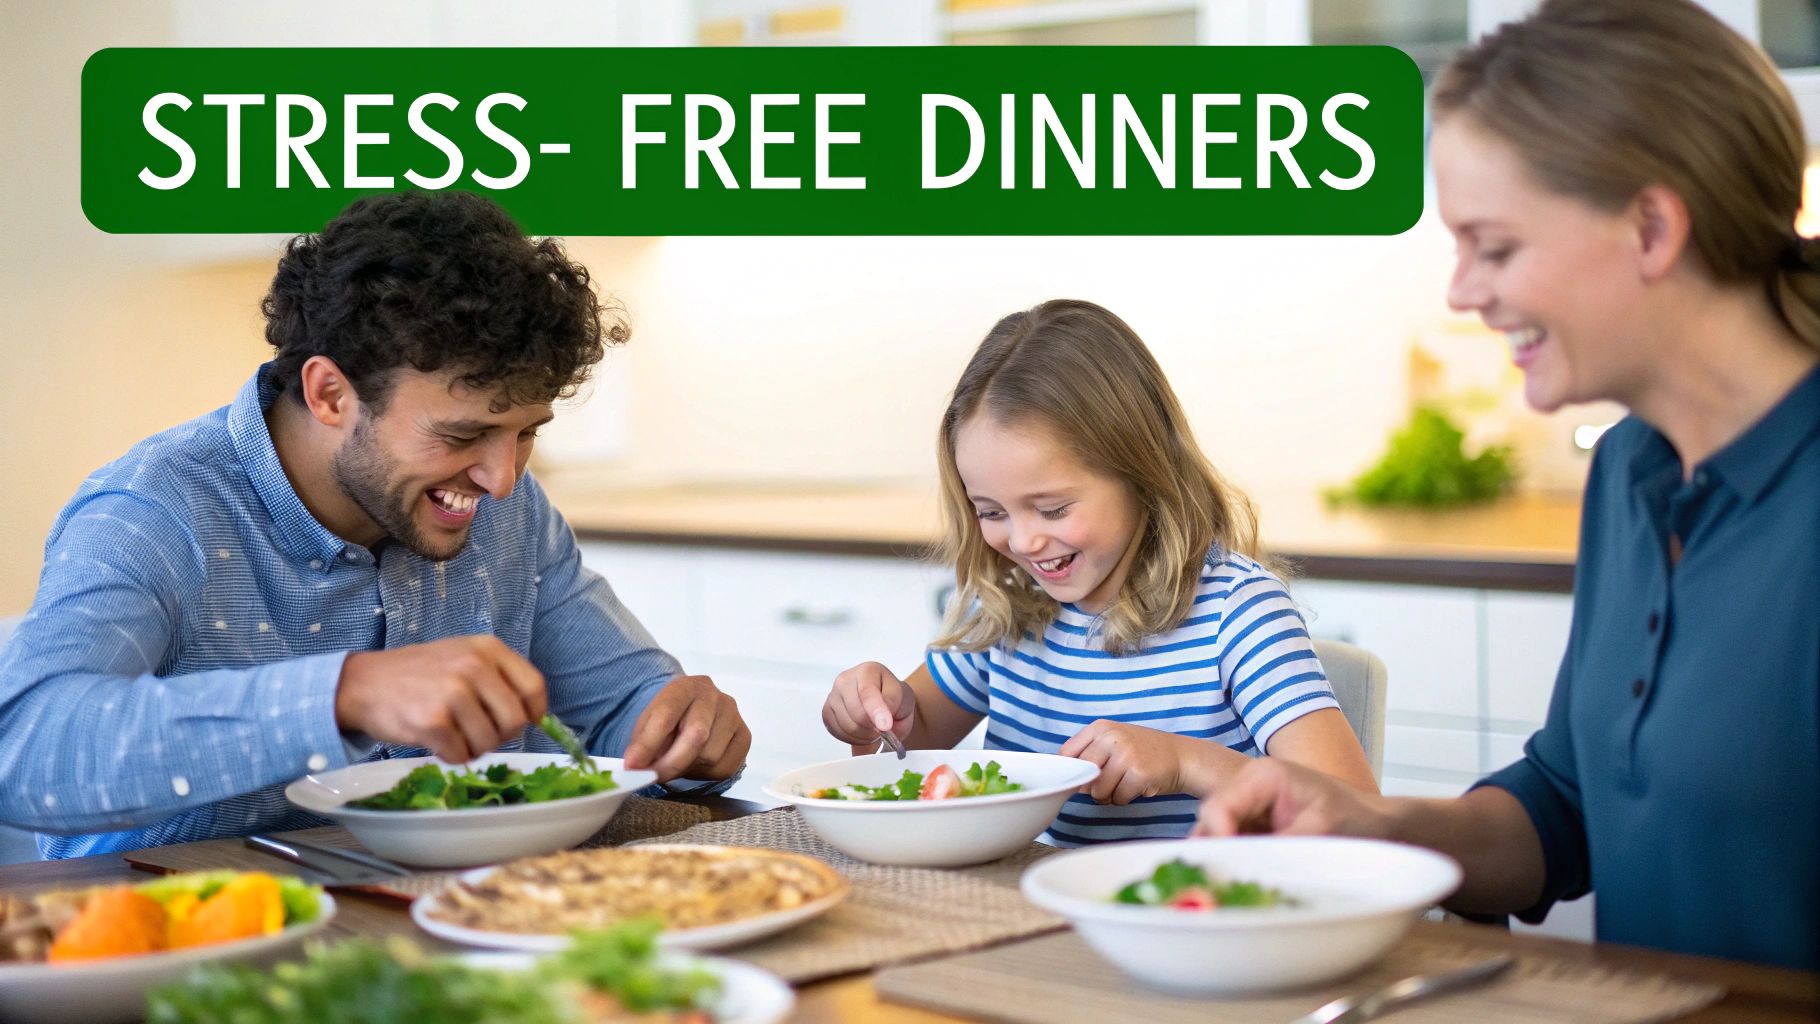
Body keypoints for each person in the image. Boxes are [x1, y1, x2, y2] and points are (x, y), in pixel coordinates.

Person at [1194, 0, 1820, 973]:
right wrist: (1365, 823)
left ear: (1650, 227)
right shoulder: (1629, 470)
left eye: (1492, 246)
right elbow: (1563, 809)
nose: (1461, 292)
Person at [0, 191, 750, 857]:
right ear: (330, 393)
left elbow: (626, 712)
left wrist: (686, 733)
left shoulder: (506, 510)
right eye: (460, 437)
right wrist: (343, 694)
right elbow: (25, 751)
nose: (502, 478)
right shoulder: (156, 510)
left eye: (525, 432)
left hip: (468, 932)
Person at [820, 299, 1377, 845]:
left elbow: (1358, 817)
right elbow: (904, 755)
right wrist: (874, 716)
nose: (1023, 541)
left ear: (1141, 471)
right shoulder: (1004, 605)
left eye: (1054, 508)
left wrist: (1187, 762)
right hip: (1034, 912)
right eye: (990, 511)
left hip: (1199, 917)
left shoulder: (1237, 612)